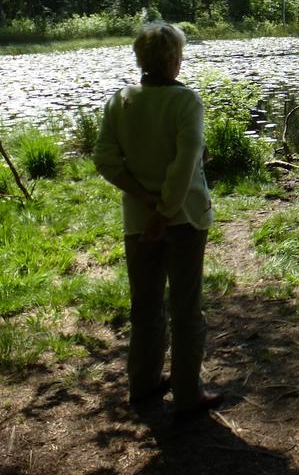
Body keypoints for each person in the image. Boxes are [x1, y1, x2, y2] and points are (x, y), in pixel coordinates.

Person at [94, 21, 221, 420]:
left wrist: (147, 202)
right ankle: (188, 393)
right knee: (186, 308)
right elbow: (184, 166)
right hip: (183, 219)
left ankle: (144, 383)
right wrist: (164, 211)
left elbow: (106, 161)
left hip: (138, 221)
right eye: (179, 54)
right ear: (171, 59)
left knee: (146, 303)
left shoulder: (121, 101)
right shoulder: (186, 103)